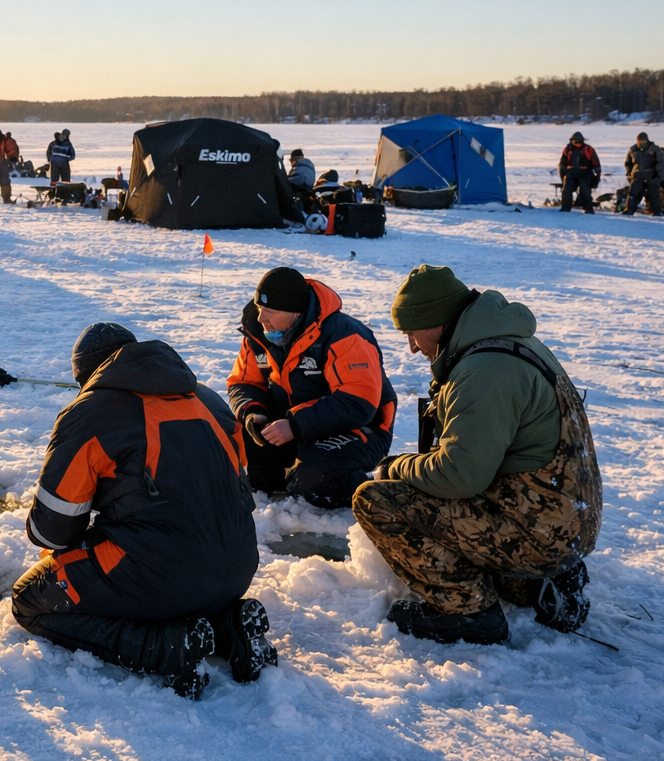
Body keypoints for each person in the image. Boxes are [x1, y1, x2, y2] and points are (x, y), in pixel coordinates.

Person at [12, 323, 276, 700]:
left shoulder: (90, 413)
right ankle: (226, 627)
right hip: (237, 567)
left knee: (31, 600)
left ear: (87, 375)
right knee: (162, 564)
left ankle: (167, 646)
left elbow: (50, 533)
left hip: (159, 577)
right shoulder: (210, 401)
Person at [352, 265, 602, 645]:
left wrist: (396, 467)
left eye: (412, 333)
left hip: (539, 532)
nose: (413, 347)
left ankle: (467, 611)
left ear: (436, 321)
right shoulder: (509, 343)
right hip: (562, 522)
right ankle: (534, 587)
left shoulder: (484, 371)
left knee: (375, 499)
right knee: (432, 496)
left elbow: (459, 476)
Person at [227, 267, 395, 509]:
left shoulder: (345, 335)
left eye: (270, 311)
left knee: (316, 481)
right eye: (260, 308)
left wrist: (296, 425)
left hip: (360, 428)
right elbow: (243, 382)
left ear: (296, 313)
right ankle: (291, 470)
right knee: (244, 464)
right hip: (294, 425)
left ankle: (377, 487)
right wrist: (253, 414)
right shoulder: (258, 333)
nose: (262, 317)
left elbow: (358, 401)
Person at [624, 132, 664, 216]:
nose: (642, 144)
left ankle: (655, 211)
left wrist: (657, 169)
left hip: (652, 174)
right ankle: (629, 209)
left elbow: (661, 161)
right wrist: (629, 173)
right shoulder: (632, 150)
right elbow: (628, 163)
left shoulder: (655, 149)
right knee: (633, 191)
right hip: (637, 175)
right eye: (640, 141)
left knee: (653, 192)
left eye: (644, 141)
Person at [557, 132, 600, 214]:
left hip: (585, 173)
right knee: (567, 191)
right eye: (575, 142)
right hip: (571, 173)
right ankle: (565, 209)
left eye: (579, 142)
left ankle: (588, 209)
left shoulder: (589, 149)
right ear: (572, 141)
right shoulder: (567, 149)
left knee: (585, 191)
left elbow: (596, 163)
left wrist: (598, 175)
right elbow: (563, 163)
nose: (577, 144)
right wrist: (563, 176)